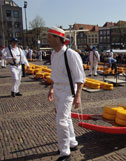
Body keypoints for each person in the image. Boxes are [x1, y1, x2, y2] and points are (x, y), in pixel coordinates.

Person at [47, 27, 86, 161]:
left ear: (58, 38)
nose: (48, 39)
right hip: (58, 90)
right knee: (66, 118)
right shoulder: (53, 54)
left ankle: (65, 152)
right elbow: (54, 74)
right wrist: (51, 88)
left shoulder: (71, 54)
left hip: (68, 91)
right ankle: (72, 142)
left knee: (61, 121)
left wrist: (78, 96)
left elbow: (80, 78)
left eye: (50, 37)